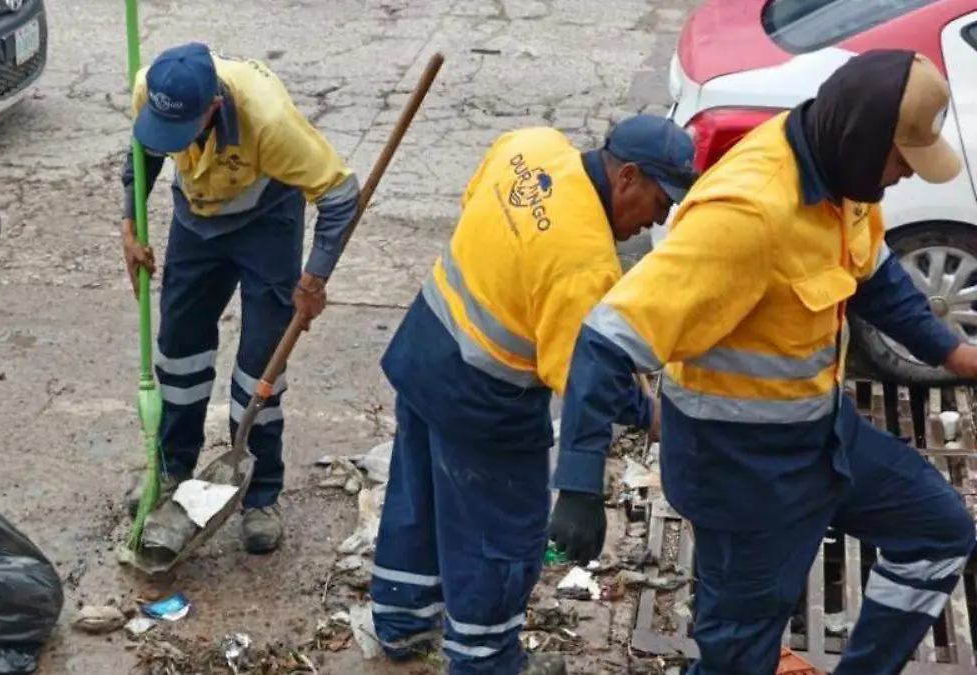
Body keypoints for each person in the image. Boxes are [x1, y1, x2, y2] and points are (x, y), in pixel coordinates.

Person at [552, 49, 977, 675]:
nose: (904, 176)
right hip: (738, 473)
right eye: (901, 161)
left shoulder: (845, 181)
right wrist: (578, 486)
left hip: (820, 439)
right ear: (862, 140)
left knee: (937, 535)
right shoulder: (747, 216)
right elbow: (605, 343)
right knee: (738, 654)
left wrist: (954, 352)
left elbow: (876, 277)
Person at [369, 115, 696, 675]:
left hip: (425, 347)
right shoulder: (585, 264)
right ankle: (486, 660)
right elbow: (585, 380)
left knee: (418, 497)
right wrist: (649, 413)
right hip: (485, 400)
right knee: (501, 538)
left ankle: (404, 621)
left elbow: (475, 203)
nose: (658, 220)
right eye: (659, 202)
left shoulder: (531, 146)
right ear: (627, 177)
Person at [119, 42, 360, 555]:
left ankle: (259, 495)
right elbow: (143, 151)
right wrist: (129, 221)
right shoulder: (150, 87)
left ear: (213, 107)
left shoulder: (269, 121)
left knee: (260, 368)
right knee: (178, 354)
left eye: (183, 129)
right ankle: (172, 467)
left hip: (265, 225)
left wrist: (314, 280)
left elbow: (340, 196)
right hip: (195, 220)